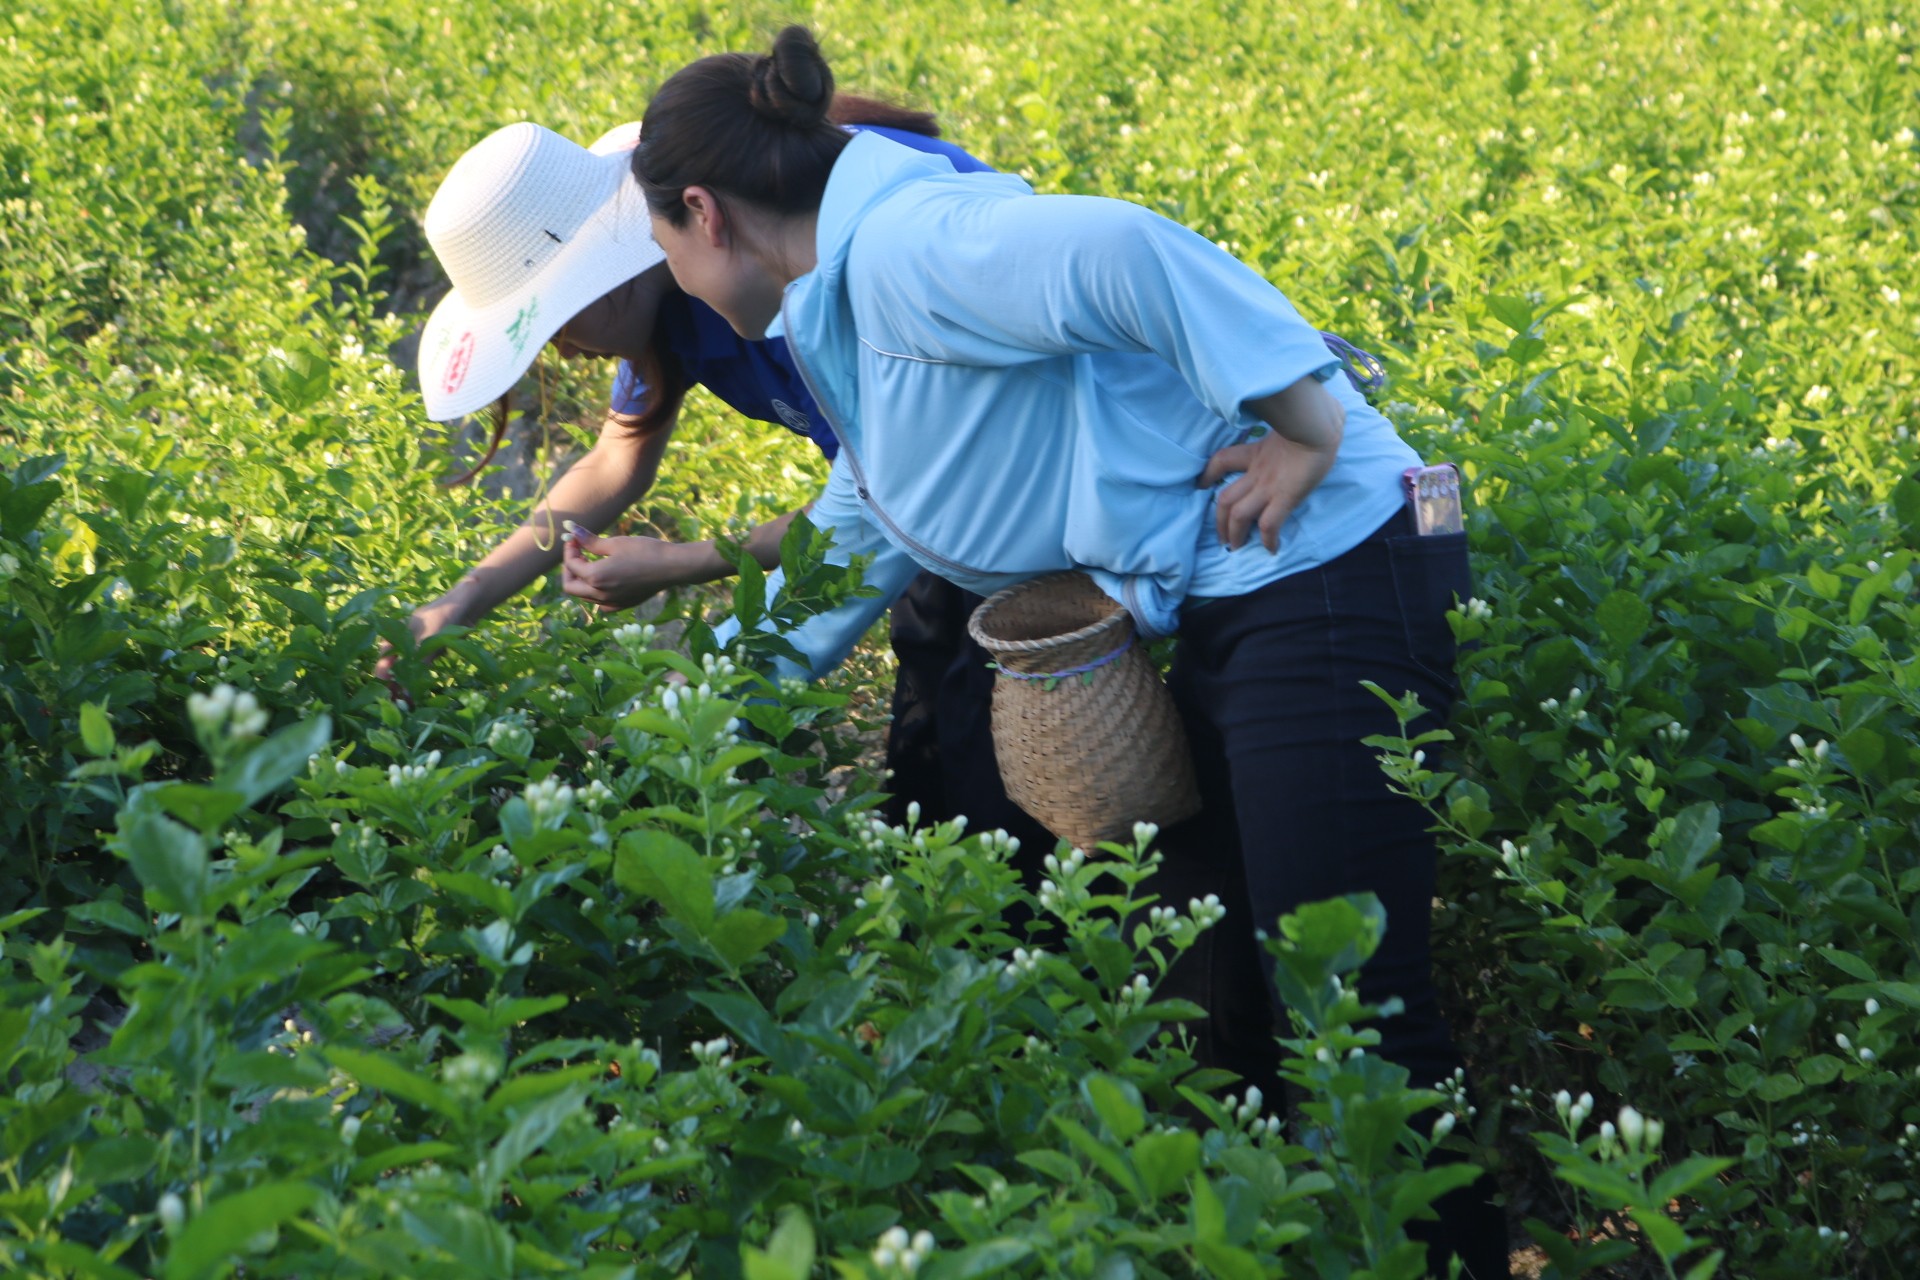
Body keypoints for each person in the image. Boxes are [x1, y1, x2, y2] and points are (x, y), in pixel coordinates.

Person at [629, 27, 1508, 1278]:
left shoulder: (908, 251)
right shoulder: (847, 295)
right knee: (1207, 992)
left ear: (701, 211)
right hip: (1234, 590)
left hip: (1330, 566)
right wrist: (698, 716)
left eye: (659, 247)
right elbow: (861, 519)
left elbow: (1124, 246)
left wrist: (1304, 423)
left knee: (1351, 1003)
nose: (671, 275)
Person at [388, 102, 1059, 856]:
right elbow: (618, 457)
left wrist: (691, 571)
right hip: (917, 497)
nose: (564, 348)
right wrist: (460, 601)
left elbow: (882, 497)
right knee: (932, 741)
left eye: (554, 320)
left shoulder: (772, 277)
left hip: (1007, 461)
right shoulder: (671, 285)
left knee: (990, 744)